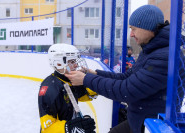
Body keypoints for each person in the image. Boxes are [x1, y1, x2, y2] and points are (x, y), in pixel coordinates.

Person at [65, 5, 170, 133]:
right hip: (139, 120)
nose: (131, 34)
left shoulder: (164, 57)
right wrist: (96, 73)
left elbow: (127, 90)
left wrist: (86, 79)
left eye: (134, 29)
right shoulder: (151, 50)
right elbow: (127, 77)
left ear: (147, 27)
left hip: (151, 126)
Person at [38, 43, 97, 133]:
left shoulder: (69, 80)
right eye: (72, 62)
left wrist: (89, 81)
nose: (76, 65)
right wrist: (70, 128)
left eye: (75, 61)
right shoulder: (49, 89)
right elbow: (47, 128)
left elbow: (85, 95)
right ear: (59, 63)